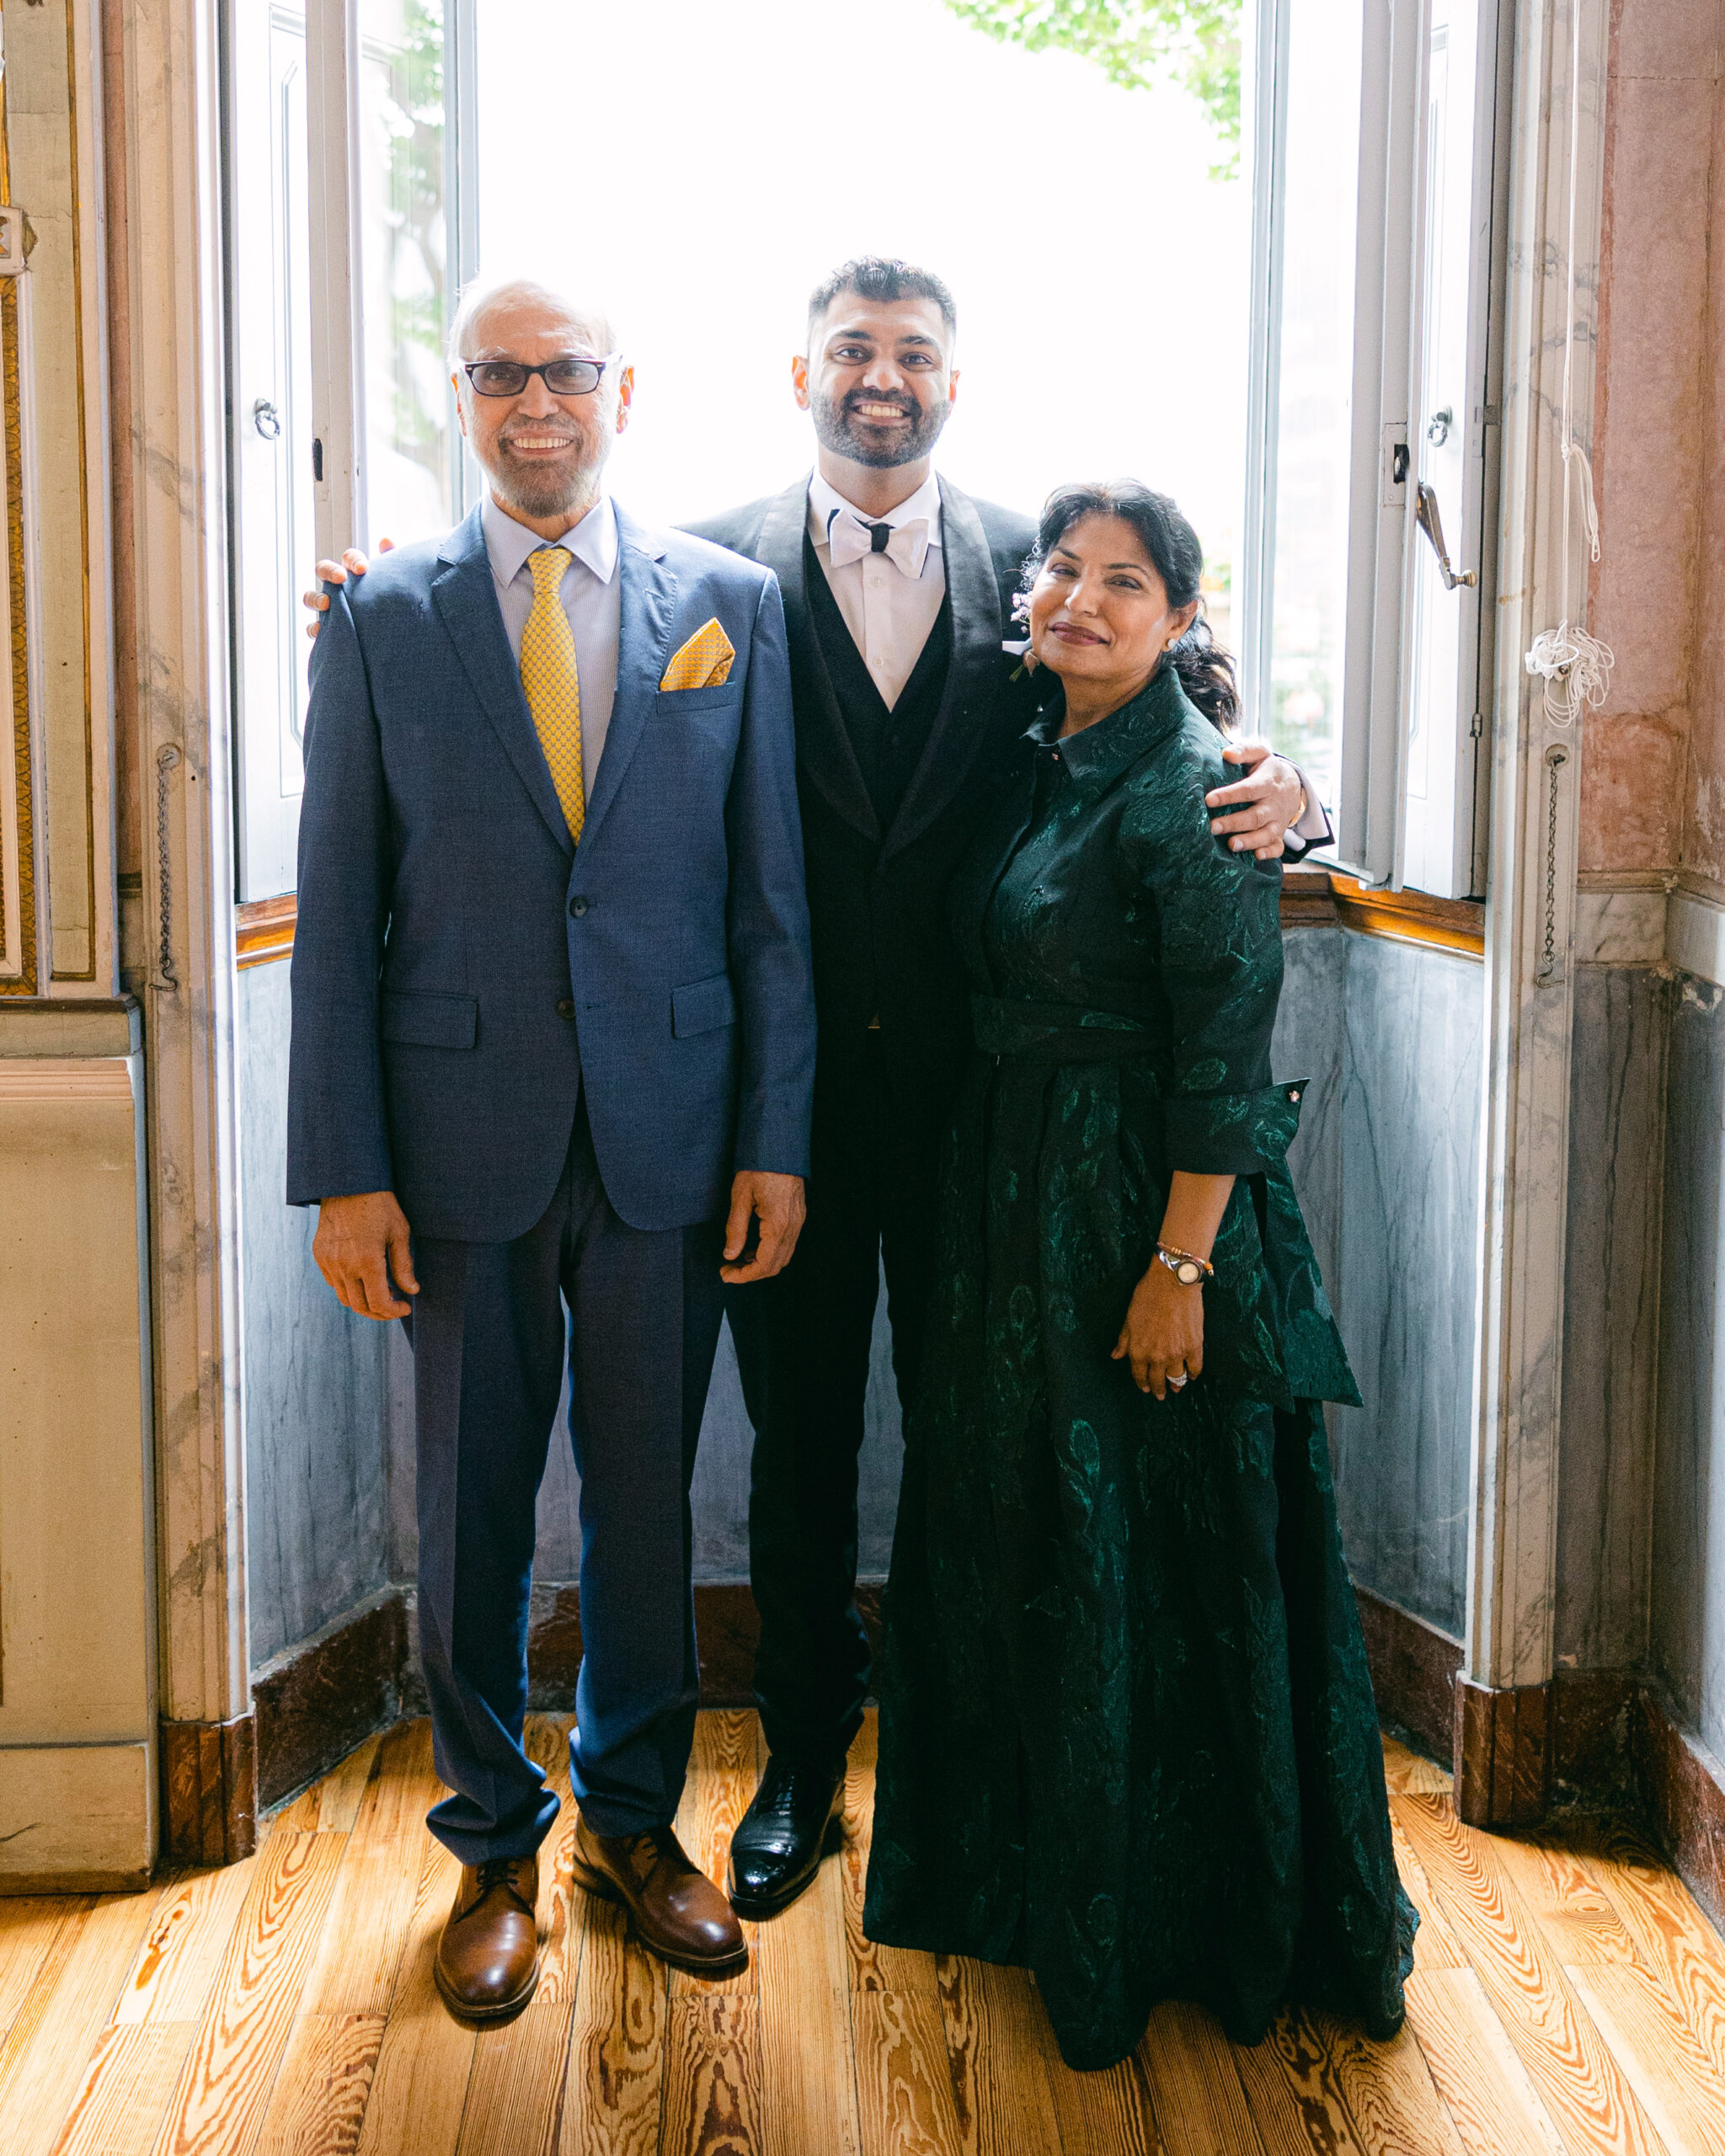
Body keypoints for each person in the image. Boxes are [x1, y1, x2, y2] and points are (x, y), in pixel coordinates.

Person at [304, 256, 1327, 1924]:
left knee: (982, 1438)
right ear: (796, 375)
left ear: (950, 377)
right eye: (850, 349)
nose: (879, 375)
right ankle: (756, 1771)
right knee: (777, 1455)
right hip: (687, 1117)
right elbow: (397, 855)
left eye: (911, 351)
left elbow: (1164, 719)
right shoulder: (679, 569)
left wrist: (1293, 783)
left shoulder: (1029, 568)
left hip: (975, 1117)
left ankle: (951, 1763)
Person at [287, 276, 815, 2020]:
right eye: (499, 375)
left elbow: (766, 909)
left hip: (669, 1136)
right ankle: (492, 1843)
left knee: (649, 1507)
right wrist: (344, 1167)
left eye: (564, 371)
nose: (535, 402)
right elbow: (342, 906)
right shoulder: (379, 620)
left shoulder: (727, 605)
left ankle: (631, 1825)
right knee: (470, 1509)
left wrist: (774, 1139)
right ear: (463, 398)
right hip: (452, 1146)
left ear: (622, 389)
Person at [862, 482, 1414, 2072]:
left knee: (1150, 1557)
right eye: (1061, 571)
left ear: (1182, 616)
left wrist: (1177, 1268)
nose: (1080, 599)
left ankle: (1176, 1920)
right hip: (1011, 1203)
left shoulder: (1201, 791)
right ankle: (1033, 1879)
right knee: (1022, 1527)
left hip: (1141, 1220)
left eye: (1125, 582)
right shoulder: (1040, 753)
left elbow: (1229, 1069)